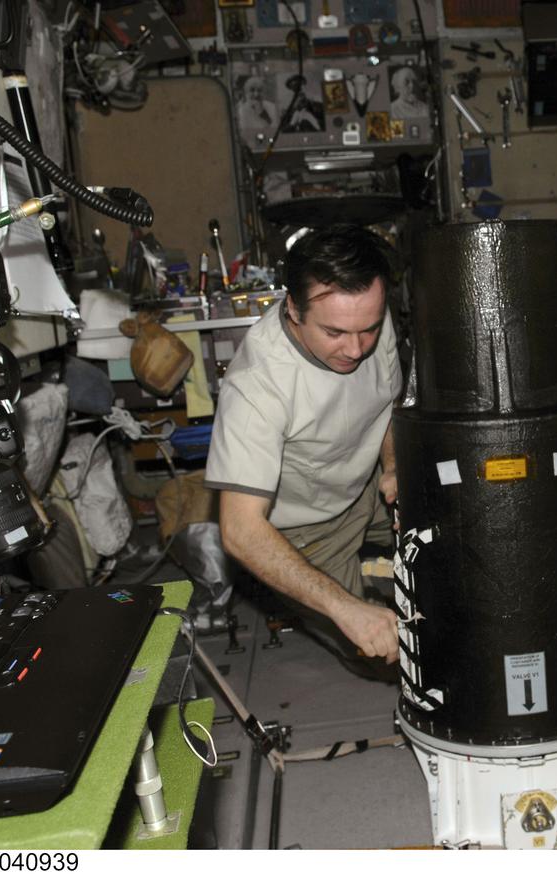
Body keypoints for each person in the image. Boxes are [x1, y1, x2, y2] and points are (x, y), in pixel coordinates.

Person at [205, 225, 401, 674]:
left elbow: (386, 402)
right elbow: (239, 531)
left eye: (368, 329)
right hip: (307, 531)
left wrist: (393, 465)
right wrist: (346, 609)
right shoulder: (258, 386)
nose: (355, 348)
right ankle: (369, 579)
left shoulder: (365, 315)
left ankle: (381, 571)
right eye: (335, 332)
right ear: (293, 308)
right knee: (388, 654)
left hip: (367, 487)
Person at [235, 75, 279, 149]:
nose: (256, 94)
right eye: (252, 90)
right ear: (246, 93)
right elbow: (243, 134)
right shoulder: (241, 110)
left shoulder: (272, 107)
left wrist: (263, 114)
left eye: (259, 90)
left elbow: (275, 130)